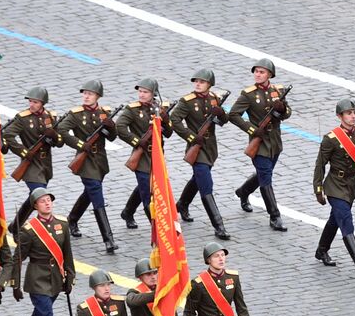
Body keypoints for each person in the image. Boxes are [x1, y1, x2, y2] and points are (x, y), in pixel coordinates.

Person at [14, 187, 76, 316]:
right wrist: (15, 284)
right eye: (42, 201)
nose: (47, 203)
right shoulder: (29, 230)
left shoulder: (62, 224)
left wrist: (70, 277)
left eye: (49, 199)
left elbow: (67, 253)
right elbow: (18, 259)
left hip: (56, 278)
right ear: (35, 206)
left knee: (40, 314)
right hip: (37, 279)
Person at [312, 98, 355, 278]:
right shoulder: (331, 139)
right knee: (346, 221)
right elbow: (320, 165)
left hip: (351, 186)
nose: (353, 116)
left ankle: (322, 249)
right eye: (349, 113)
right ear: (340, 116)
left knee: (336, 219)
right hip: (335, 186)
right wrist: (318, 188)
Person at [227, 59, 292, 230]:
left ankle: (243, 191)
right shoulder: (248, 94)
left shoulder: (278, 91)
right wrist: (252, 130)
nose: (258, 74)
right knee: (266, 179)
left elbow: (288, 113)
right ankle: (274, 216)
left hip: (275, 143)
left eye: (262, 72)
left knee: (264, 174)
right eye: (256, 71)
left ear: (270, 74)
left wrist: (282, 109)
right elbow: (233, 114)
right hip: (259, 143)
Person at [57, 79, 120, 253]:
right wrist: (78, 144)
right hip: (85, 161)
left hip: (99, 160)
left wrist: (111, 126)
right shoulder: (76, 114)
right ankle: (108, 239)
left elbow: (112, 137)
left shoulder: (104, 112)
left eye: (90, 94)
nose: (86, 96)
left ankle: (72, 218)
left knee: (90, 192)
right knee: (97, 195)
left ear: (97, 96)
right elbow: (61, 130)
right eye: (84, 93)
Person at [169, 68, 233, 239]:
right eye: (196, 81)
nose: (197, 84)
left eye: (201, 82)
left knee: (198, 179)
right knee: (206, 185)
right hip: (196, 148)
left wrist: (221, 114)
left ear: (209, 84)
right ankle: (219, 226)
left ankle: (182, 204)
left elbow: (222, 122)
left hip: (209, 147)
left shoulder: (214, 99)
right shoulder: (187, 101)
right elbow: (174, 119)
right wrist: (190, 136)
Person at [2, 86, 63, 229]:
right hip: (31, 165)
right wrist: (23, 152)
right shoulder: (23, 118)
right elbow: (8, 135)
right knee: (41, 197)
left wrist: (54, 135)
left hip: (45, 164)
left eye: (35, 102)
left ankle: (15, 226)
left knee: (34, 197)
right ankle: (42, 227)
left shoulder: (51, 117)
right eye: (30, 102)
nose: (32, 105)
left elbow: (59, 142)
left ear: (43, 103)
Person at [113, 78, 170, 229]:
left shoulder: (159, 109)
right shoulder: (132, 110)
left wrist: (165, 119)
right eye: (140, 91)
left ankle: (128, 211)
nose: (142, 95)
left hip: (157, 156)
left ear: (154, 94)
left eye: (146, 92)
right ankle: (157, 229)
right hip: (142, 157)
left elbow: (169, 133)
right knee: (148, 195)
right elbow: (120, 127)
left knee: (145, 186)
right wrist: (136, 142)